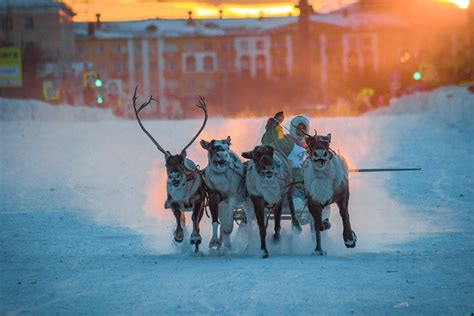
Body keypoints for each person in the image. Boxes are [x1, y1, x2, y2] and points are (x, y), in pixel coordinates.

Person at [261, 111, 331, 232]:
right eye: (299, 128)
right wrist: (274, 127)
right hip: (292, 184)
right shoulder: (287, 142)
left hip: (309, 182)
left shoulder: (310, 145)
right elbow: (271, 143)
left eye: (304, 128)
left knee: (324, 196)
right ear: (293, 128)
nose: (301, 130)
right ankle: (300, 217)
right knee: (297, 200)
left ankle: (323, 223)